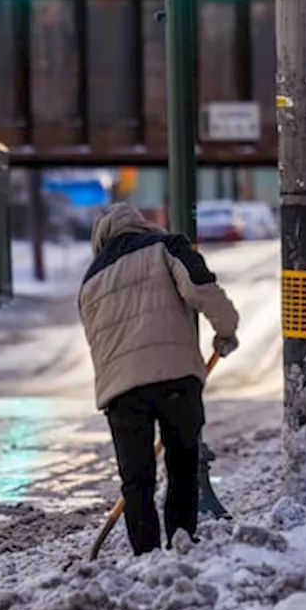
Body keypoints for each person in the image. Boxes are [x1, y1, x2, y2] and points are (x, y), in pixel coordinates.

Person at [77, 202, 240, 555]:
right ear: (139, 225)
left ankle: (145, 556)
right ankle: (181, 542)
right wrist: (226, 330)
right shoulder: (166, 247)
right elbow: (201, 288)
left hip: (120, 391)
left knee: (136, 480)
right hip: (175, 376)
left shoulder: (90, 280)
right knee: (182, 462)